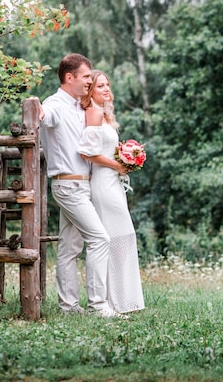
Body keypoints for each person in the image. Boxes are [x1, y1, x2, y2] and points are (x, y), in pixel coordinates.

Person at [38, 54, 124, 318]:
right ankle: (98, 306)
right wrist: (35, 107)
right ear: (69, 77)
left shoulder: (79, 106)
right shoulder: (55, 104)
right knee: (99, 239)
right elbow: (43, 115)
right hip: (67, 185)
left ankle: (69, 307)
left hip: (83, 185)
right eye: (86, 76)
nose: (90, 80)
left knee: (69, 248)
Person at [77, 70, 145, 314]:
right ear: (90, 91)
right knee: (113, 239)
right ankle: (111, 302)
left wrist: (127, 157)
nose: (106, 89)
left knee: (124, 237)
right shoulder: (93, 113)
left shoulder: (105, 115)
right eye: (99, 86)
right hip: (103, 185)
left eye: (107, 85)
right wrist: (117, 164)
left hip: (114, 183)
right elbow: (87, 152)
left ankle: (127, 300)